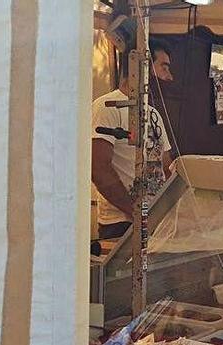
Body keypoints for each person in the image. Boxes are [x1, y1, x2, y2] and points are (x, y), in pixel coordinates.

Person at [92, 38, 175, 239]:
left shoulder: (153, 113)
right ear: (141, 66)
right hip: (120, 224)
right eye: (163, 67)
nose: (169, 77)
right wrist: (135, 211)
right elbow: (98, 168)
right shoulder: (108, 107)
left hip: (155, 221)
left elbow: (166, 166)